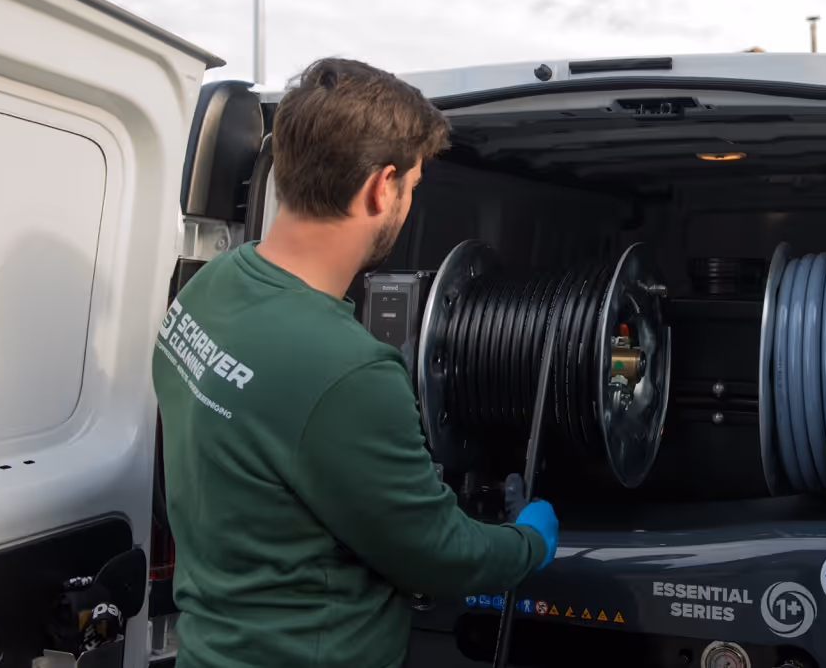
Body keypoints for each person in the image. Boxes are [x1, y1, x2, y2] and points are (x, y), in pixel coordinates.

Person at [152, 58, 558, 668]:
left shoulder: (207, 290)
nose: (409, 202)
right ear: (380, 186)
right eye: (414, 186)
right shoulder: (348, 371)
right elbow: (439, 554)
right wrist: (528, 541)